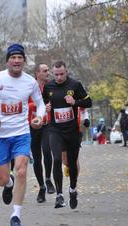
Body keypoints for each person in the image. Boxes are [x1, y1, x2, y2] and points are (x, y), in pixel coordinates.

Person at [0, 43, 45, 226]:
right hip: (0, 136)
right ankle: (9, 184)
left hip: (22, 134)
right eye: (13, 58)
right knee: (3, 180)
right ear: (7, 61)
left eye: (20, 58)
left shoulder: (30, 82)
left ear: (23, 61)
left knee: (22, 170)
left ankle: (16, 215)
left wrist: (39, 116)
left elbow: (41, 104)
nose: (16, 61)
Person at [42, 60, 92, 209]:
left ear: (66, 72)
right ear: (53, 73)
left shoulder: (75, 85)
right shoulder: (48, 87)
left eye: (61, 74)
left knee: (71, 162)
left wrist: (75, 102)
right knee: (56, 158)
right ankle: (59, 195)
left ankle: (73, 189)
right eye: (56, 74)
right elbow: (42, 102)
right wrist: (46, 106)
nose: (58, 77)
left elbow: (88, 102)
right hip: (55, 130)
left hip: (72, 131)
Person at [28, 63, 55, 203]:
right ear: (37, 73)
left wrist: (52, 105)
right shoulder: (29, 87)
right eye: (45, 71)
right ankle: (42, 187)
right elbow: (23, 104)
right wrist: (39, 105)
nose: (48, 73)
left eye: (48, 70)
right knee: (37, 158)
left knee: (47, 150)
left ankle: (48, 179)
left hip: (46, 124)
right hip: (32, 126)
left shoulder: (51, 86)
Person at [63, 107, 90, 177]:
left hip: (76, 130)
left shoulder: (77, 97)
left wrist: (86, 119)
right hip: (62, 130)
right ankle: (68, 166)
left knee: (74, 158)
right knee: (65, 161)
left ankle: (73, 185)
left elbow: (84, 110)